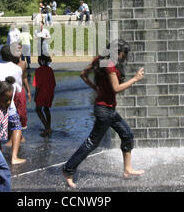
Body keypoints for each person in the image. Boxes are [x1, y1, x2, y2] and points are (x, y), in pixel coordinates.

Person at [62, 39, 146, 188]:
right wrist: (135, 78)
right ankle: (68, 170)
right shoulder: (110, 66)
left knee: (127, 134)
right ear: (118, 53)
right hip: (104, 110)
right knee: (92, 143)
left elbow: (83, 74)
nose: (124, 56)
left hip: (109, 109)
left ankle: (127, 169)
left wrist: (96, 88)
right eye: (123, 53)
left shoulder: (100, 60)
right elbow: (116, 88)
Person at [33, 55, 56, 137]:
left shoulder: (38, 70)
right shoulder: (50, 69)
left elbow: (37, 85)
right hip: (50, 92)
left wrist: (35, 96)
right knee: (46, 109)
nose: (37, 61)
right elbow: (54, 83)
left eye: (38, 60)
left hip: (42, 92)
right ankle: (48, 127)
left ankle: (47, 128)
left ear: (41, 61)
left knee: (38, 109)